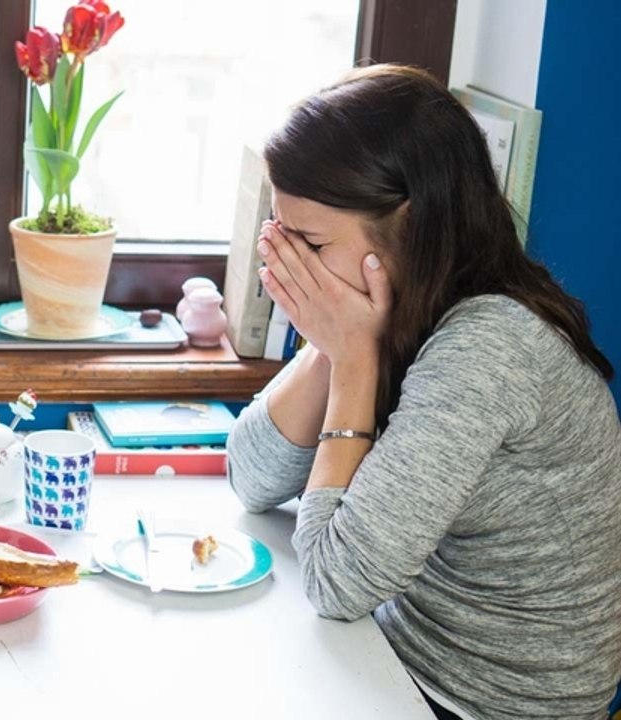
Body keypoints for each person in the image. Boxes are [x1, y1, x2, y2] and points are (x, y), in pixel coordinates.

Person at [226, 64, 621, 720]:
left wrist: (353, 356)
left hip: (487, 704)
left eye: (311, 242)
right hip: (397, 654)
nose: (284, 262)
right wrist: (331, 345)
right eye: (279, 231)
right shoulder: (393, 308)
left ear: (407, 227)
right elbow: (251, 479)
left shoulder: (489, 346)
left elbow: (333, 581)